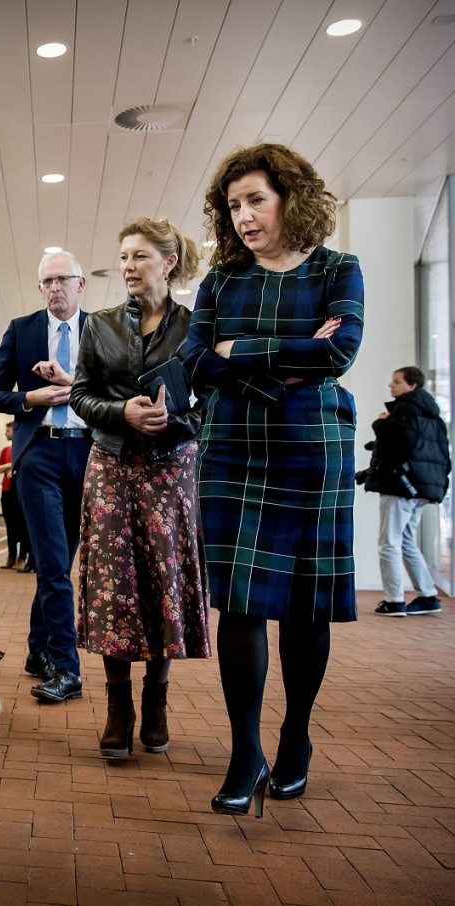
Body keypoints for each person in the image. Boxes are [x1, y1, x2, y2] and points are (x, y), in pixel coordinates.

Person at [182, 143, 364, 817]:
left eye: (256, 199)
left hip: (311, 446)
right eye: (233, 205)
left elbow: (339, 351)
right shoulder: (222, 281)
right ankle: (244, 750)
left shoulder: (338, 270)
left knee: (305, 604)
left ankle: (295, 738)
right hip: (231, 447)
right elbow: (195, 361)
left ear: (290, 195)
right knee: (240, 603)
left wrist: (241, 352)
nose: (244, 216)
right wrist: (287, 360)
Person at [69, 217, 211, 760]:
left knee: (162, 579)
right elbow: (81, 396)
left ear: (168, 263)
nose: (128, 266)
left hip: (170, 468)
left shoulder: (196, 327)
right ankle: (117, 705)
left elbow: (208, 407)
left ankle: (156, 697)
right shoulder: (99, 324)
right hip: (110, 464)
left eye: (140, 257)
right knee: (111, 584)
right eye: (123, 256)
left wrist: (170, 422)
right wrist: (122, 412)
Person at [0, 251, 93, 703]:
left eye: (62, 279)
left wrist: (77, 386)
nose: (55, 288)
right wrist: (30, 396)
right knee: (51, 565)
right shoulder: (21, 329)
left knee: (59, 565)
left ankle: (36, 650)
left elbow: (117, 391)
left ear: (80, 284)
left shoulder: (102, 330)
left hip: (88, 454)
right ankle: (66, 667)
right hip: (39, 454)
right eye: (47, 281)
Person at [358, 367, 450, 616]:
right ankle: (428, 595)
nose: (391, 385)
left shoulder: (405, 409)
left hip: (399, 487)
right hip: (419, 487)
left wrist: (380, 422)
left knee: (388, 543)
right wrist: (368, 474)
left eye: (397, 381)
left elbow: (398, 444)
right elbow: (420, 454)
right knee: (407, 541)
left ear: (412, 386)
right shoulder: (432, 416)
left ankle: (394, 600)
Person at [0, 422, 30, 570]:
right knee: (10, 526)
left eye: (7, 430)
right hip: (7, 491)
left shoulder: (25, 448)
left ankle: (22, 557)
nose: (5, 433)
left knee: (23, 525)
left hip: (21, 491)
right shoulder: (5, 450)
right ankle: (11, 556)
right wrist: (10, 465)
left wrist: (11, 466)